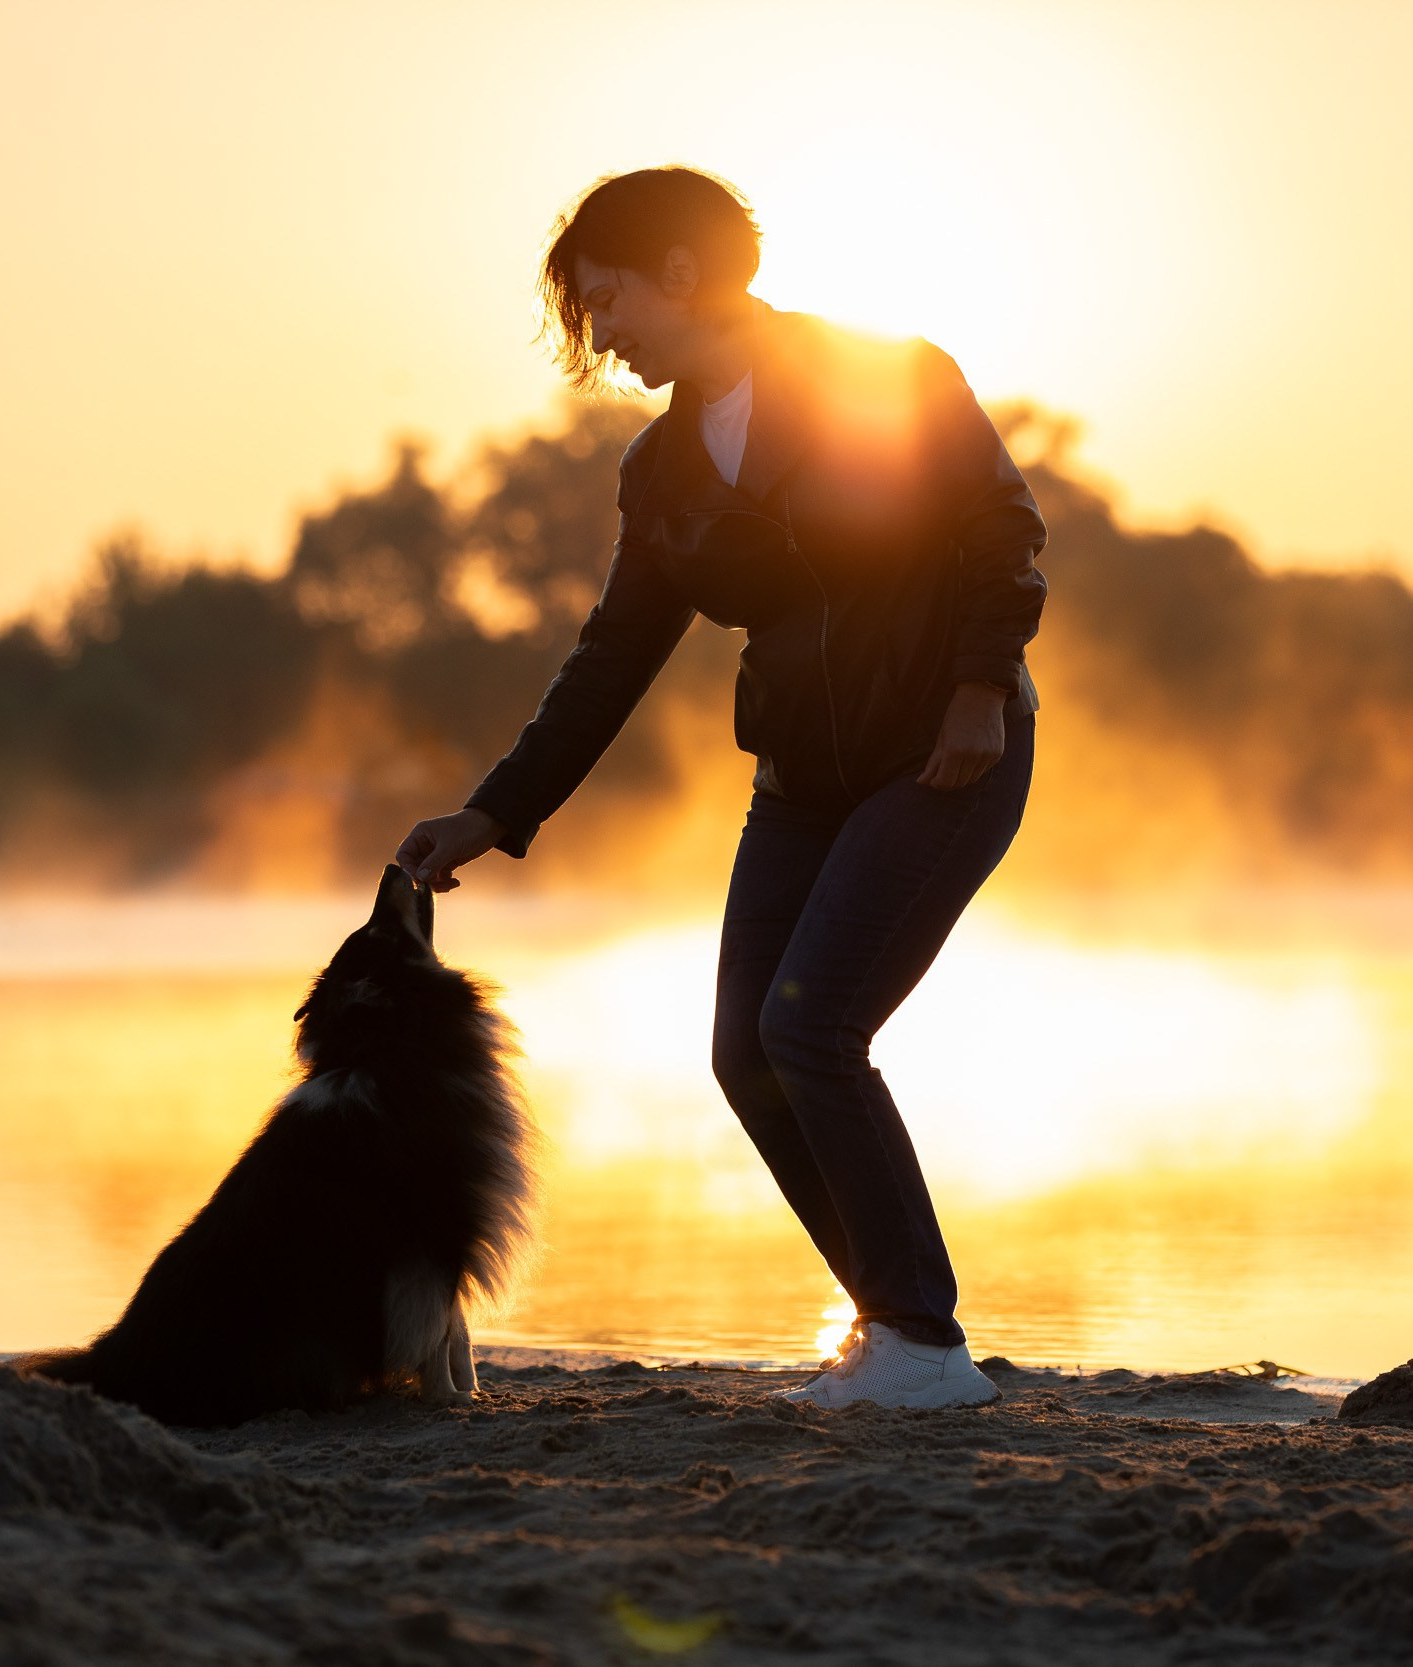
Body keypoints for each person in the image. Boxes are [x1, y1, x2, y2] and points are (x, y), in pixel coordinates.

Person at [396, 166, 1045, 1410]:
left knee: (811, 1029)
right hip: (800, 780)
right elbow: (612, 654)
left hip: (943, 756)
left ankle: (921, 1342)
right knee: (745, 1055)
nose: (600, 337)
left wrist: (978, 688)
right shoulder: (662, 470)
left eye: (607, 300)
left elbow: (1002, 532)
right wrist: (495, 808)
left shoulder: (888, 375)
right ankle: (896, 1326)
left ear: (682, 272)